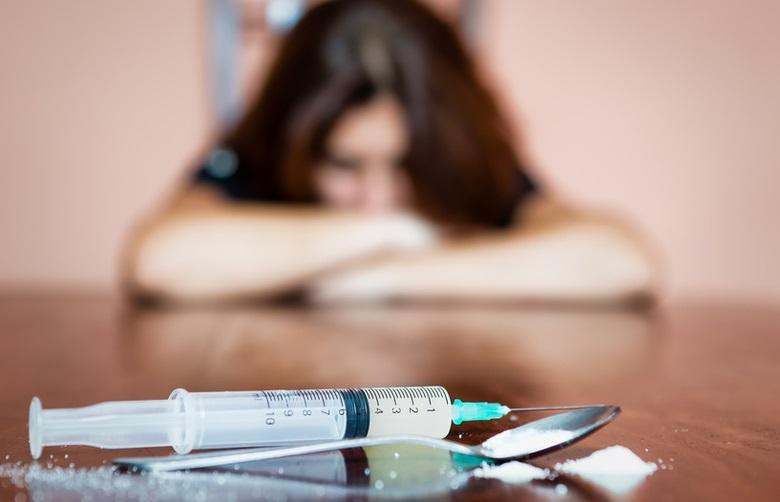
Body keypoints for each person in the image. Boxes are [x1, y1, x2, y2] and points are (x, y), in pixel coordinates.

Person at [123, 0, 656, 305]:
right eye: (343, 164)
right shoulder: (259, 156)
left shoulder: (466, 166)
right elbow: (158, 260)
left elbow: (621, 262)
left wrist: (373, 275)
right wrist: (389, 233)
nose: (376, 198)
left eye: (405, 164)